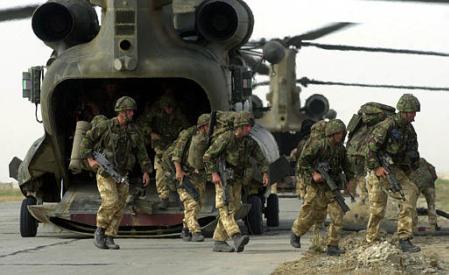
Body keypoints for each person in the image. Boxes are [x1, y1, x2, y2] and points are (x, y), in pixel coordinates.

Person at [80, 96, 152, 249]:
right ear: (122, 112)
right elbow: (87, 140)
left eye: (132, 111)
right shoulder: (105, 126)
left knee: (120, 206)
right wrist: (90, 159)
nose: (132, 113)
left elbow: (141, 152)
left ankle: (110, 236)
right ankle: (99, 231)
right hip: (105, 172)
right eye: (130, 111)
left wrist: (146, 171)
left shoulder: (133, 130)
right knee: (110, 201)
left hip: (122, 174)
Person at [204, 112, 269, 253]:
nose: (249, 129)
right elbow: (208, 156)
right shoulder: (226, 138)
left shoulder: (249, 142)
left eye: (250, 126)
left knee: (234, 208)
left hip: (237, 180)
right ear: (238, 126)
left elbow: (260, 158)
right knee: (225, 207)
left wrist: (265, 173)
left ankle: (219, 241)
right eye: (246, 126)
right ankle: (236, 236)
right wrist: (214, 173)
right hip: (223, 179)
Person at [364, 93, 421, 253]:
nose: (414, 116)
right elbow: (370, 148)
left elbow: (413, 152)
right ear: (404, 111)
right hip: (377, 171)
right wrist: (376, 168)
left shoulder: (409, 130)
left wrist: (412, 169)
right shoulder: (387, 126)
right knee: (377, 209)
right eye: (412, 112)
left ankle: (404, 238)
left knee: (410, 193)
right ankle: (371, 240)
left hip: (394, 170)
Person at [290, 119, 353, 256]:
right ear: (331, 133)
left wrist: (349, 181)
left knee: (338, 214)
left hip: (332, 186)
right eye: (338, 133)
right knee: (310, 214)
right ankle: (296, 232)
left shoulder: (340, 149)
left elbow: (347, 166)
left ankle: (333, 245)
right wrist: (314, 174)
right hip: (316, 186)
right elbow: (303, 162)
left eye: (342, 133)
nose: (341, 136)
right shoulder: (318, 146)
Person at [138, 94, 190, 209]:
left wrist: (181, 140)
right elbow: (141, 124)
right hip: (161, 148)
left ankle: (182, 198)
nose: (169, 110)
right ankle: (164, 198)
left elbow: (188, 130)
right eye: (166, 107)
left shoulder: (178, 115)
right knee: (160, 174)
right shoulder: (155, 113)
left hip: (175, 149)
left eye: (171, 107)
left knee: (178, 173)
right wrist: (150, 133)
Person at [172, 113, 211, 242]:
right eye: (208, 126)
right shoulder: (188, 135)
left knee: (198, 204)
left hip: (199, 176)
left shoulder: (208, 137)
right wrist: (178, 171)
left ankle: (185, 229)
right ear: (203, 126)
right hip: (185, 175)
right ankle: (196, 231)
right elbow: (176, 154)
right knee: (192, 204)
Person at [408, 158, 439, 230]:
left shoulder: (407, 162)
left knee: (412, 205)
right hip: (429, 184)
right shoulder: (422, 160)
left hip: (416, 184)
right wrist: (431, 180)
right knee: (431, 205)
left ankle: (413, 226)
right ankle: (433, 225)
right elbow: (432, 170)